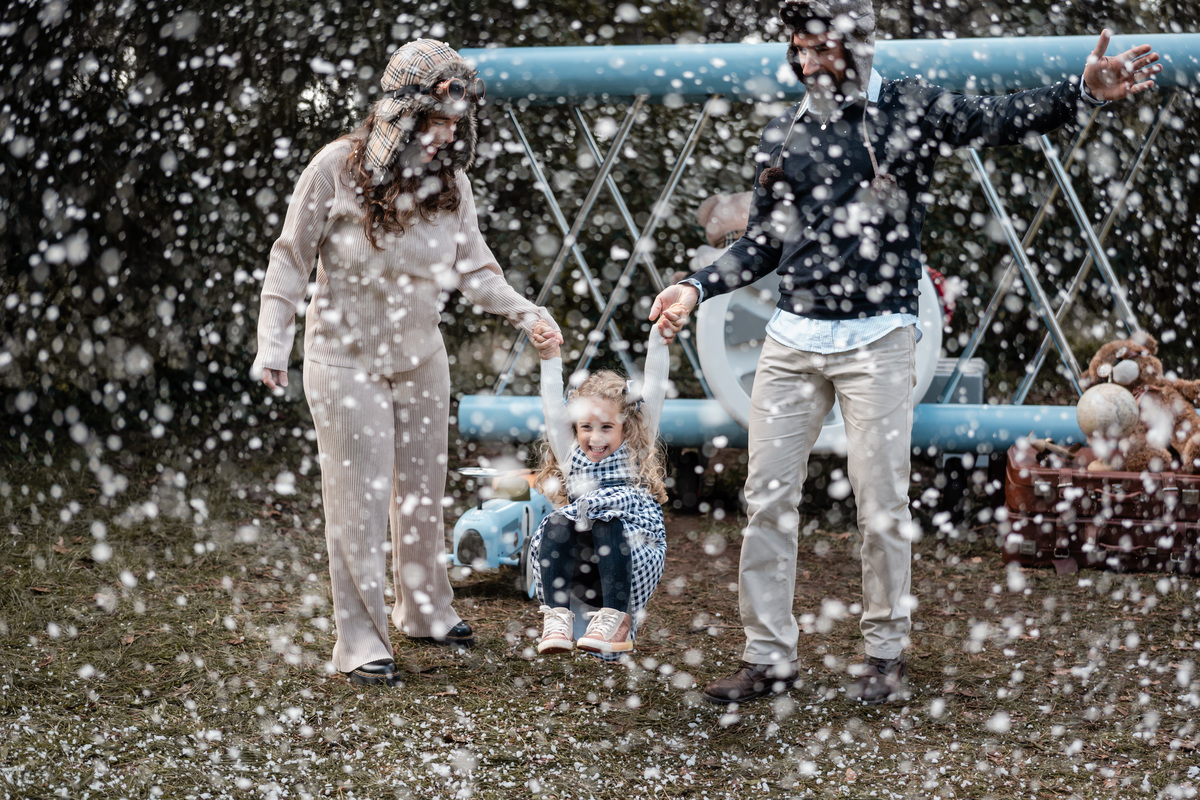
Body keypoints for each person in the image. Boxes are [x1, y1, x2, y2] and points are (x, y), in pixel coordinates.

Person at [650, 0, 1161, 705]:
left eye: (822, 49)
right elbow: (764, 242)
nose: (808, 63)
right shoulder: (785, 129)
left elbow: (998, 116)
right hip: (792, 340)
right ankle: (767, 659)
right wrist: (695, 285)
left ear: (857, 46)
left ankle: (884, 655)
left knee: (882, 504)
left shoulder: (909, 108)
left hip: (879, 338)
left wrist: (1080, 93)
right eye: (799, 49)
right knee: (766, 501)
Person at [253, 40, 562, 687]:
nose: (446, 134)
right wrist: (272, 344)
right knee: (359, 503)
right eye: (435, 121)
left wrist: (524, 311)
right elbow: (290, 257)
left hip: (421, 358)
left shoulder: (452, 185)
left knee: (422, 493)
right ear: (400, 113)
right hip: (345, 362)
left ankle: (423, 609)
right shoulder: (335, 168)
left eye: (454, 123)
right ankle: (361, 641)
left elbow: (476, 269)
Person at [526, 320, 675, 656]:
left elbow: (655, 385)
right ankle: (557, 618)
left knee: (608, 520)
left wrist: (660, 336)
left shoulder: (635, 449)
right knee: (557, 521)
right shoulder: (571, 455)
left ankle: (617, 621)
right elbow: (552, 405)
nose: (595, 438)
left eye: (607, 427)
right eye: (586, 427)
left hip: (627, 566)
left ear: (625, 427)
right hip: (581, 571)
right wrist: (549, 356)